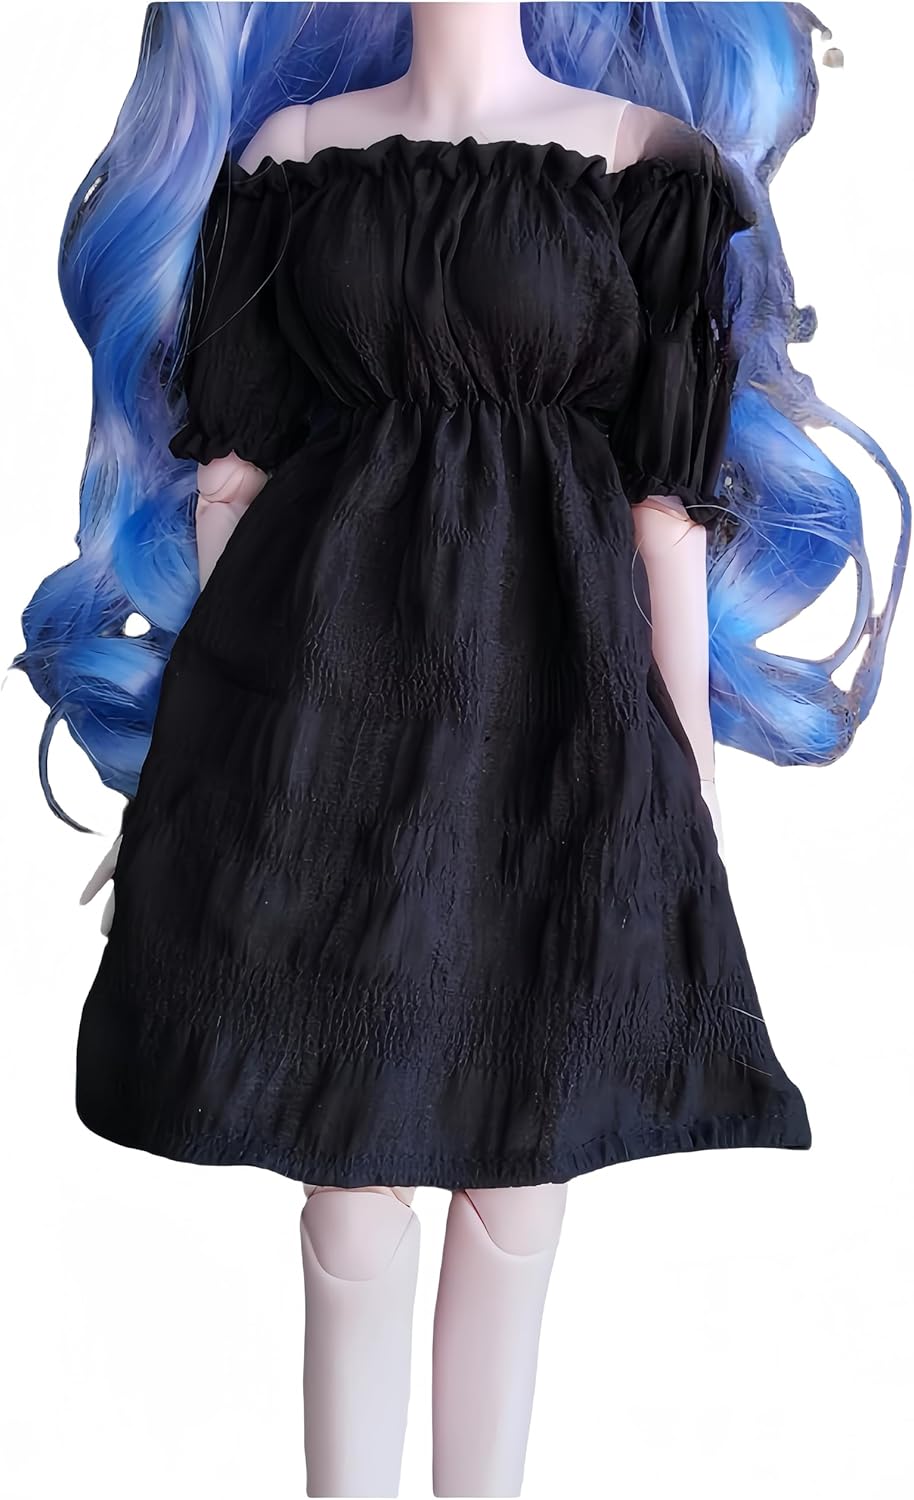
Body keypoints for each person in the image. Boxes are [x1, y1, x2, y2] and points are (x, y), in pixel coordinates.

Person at [12, 4, 908, 1495]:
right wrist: (192, 770)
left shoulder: (647, 167)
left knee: (520, 1169)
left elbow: (664, 506)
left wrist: (681, 772)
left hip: (552, 711)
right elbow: (231, 484)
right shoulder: (292, 157)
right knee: (346, 1187)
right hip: (317, 708)